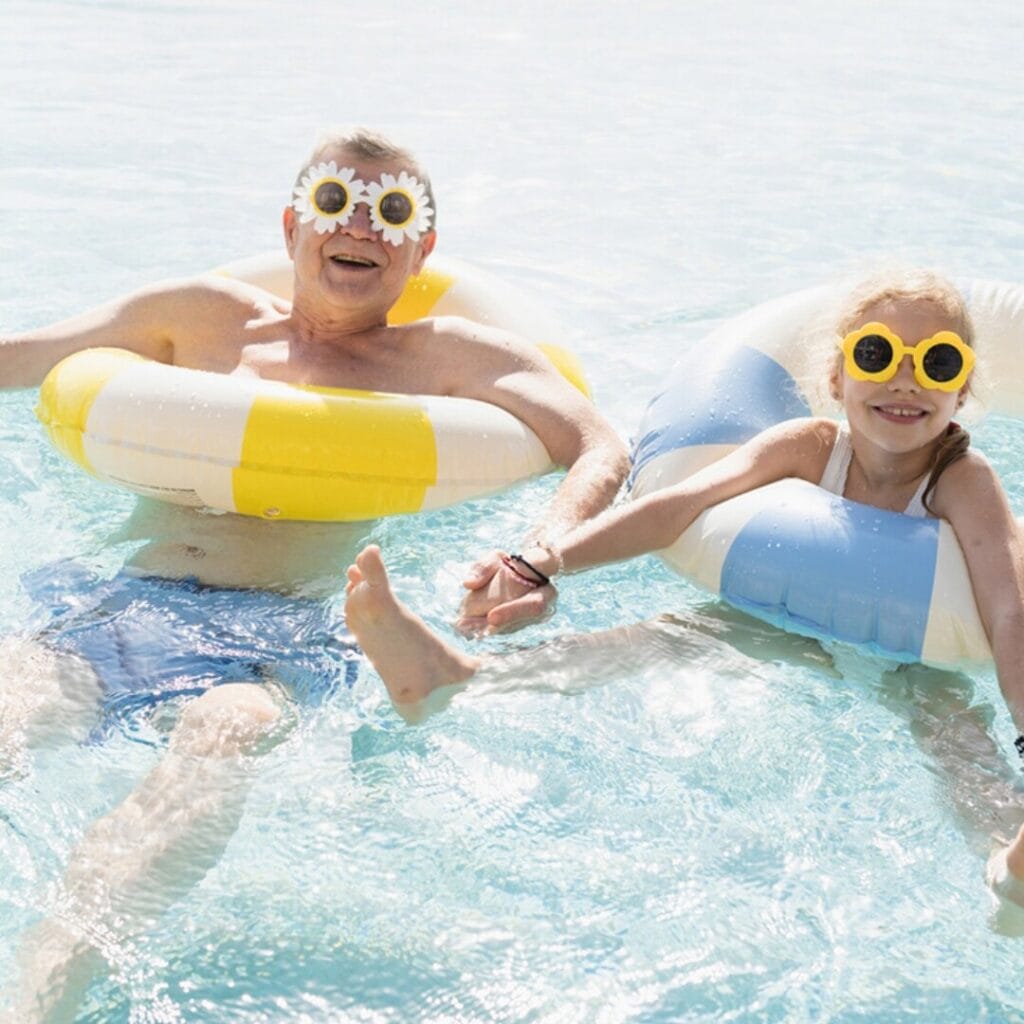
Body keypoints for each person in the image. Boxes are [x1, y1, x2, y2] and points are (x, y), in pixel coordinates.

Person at [0, 127, 628, 1018]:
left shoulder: (445, 357)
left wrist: (534, 559)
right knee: (9, 715)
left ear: (422, 250)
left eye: (391, 210)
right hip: (122, 605)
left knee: (224, 734)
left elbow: (598, 444)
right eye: (336, 201)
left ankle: (45, 992)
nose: (360, 225)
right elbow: (19, 360)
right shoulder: (202, 317)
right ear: (293, 224)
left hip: (278, 634)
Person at [343, 268, 1024, 909]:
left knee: (957, 736)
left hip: (916, 661)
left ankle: (1007, 862)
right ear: (837, 376)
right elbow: (678, 506)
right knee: (666, 636)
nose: (905, 382)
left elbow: (1007, 610)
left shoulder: (964, 481)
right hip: (782, 621)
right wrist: (540, 563)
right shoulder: (809, 445)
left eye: (937, 363)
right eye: (877, 355)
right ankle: (458, 676)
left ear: (962, 391)